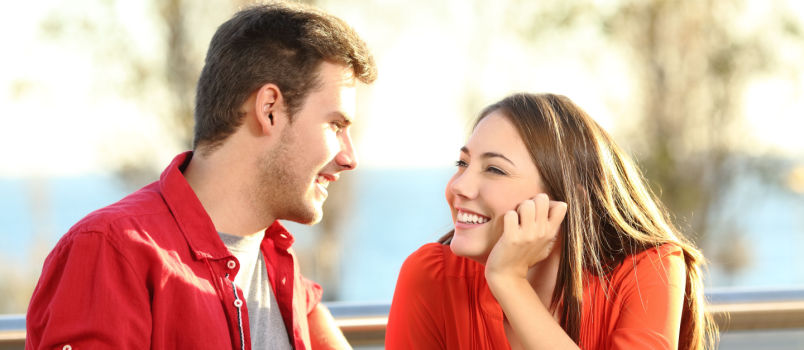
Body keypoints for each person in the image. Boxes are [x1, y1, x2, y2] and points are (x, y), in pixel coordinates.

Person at [26, 2, 376, 350]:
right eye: (335, 125)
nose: (350, 158)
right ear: (270, 109)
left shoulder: (279, 267)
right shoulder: (112, 252)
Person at [385, 93, 718, 349]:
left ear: (569, 199)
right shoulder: (431, 276)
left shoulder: (649, 270)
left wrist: (509, 282)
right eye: (462, 163)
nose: (459, 186)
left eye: (495, 169)